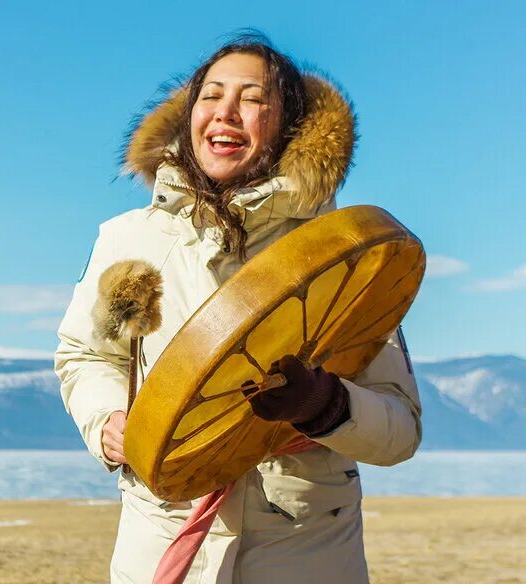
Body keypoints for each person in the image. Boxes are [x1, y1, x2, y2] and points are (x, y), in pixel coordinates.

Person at [55, 32, 421, 584]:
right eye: (211, 95)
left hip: (304, 549)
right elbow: (86, 355)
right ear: (188, 115)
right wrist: (108, 419)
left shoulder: (335, 256)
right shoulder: (127, 239)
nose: (226, 111)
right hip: (162, 531)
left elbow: (399, 428)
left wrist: (324, 405)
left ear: (289, 126)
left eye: (253, 99)